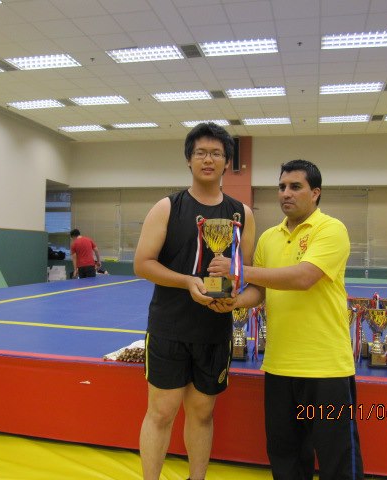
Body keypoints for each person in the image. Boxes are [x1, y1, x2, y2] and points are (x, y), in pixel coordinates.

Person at [208, 159, 363, 480]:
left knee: (337, 459)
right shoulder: (269, 238)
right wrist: (233, 302)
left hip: (326, 368)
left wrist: (238, 270)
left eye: (295, 187)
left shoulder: (331, 229)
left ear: (315, 193)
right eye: (281, 187)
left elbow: (304, 277)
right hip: (279, 366)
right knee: (285, 457)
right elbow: (260, 291)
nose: (285, 193)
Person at [133, 122, 255, 480]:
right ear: (189, 159)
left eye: (216, 153)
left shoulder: (242, 214)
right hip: (169, 327)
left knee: (202, 413)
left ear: (227, 162)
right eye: (201, 152)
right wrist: (188, 281)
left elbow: (246, 273)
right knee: (161, 412)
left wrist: (235, 299)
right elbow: (143, 264)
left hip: (214, 330)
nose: (208, 159)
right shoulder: (167, 207)